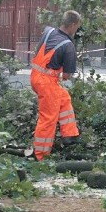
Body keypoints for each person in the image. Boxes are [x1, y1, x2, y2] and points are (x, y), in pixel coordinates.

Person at [30, 10, 82, 161]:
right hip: (47, 83)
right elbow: (66, 76)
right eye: (77, 27)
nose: (76, 30)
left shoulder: (49, 31)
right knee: (48, 118)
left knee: (64, 97)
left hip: (35, 76)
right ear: (72, 25)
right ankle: (40, 156)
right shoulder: (68, 46)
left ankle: (69, 135)